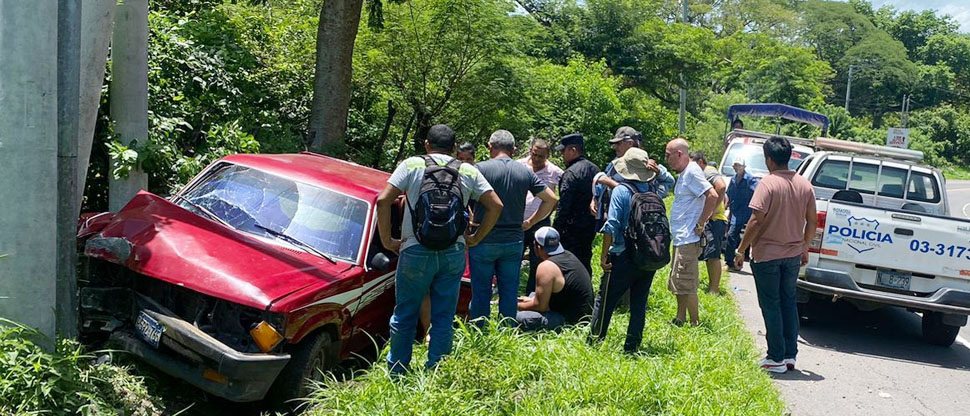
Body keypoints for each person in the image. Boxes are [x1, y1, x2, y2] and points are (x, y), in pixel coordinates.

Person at [376, 124, 503, 374]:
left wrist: (388, 240)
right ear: (454, 148)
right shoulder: (466, 170)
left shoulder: (412, 165)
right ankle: (437, 369)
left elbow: (383, 200)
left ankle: (397, 372)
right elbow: (496, 205)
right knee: (444, 315)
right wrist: (475, 238)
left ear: (427, 144)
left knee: (405, 313)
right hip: (453, 251)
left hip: (414, 249)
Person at [734, 136, 817, 374]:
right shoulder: (805, 185)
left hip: (767, 255)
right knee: (788, 302)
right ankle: (790, 355)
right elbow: (812, 221)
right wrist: (805, 247)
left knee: (771, 305)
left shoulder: (767, 184)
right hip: (793, 255)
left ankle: (775, 357)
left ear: (769, 159)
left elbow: (756, 220)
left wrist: (740, 250)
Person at [469, 130, 558, 325]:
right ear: (514, 149)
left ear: (489, 146)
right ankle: (507, 328)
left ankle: (478, 330)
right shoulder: (525, 171)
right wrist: (531, 222)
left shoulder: (479, 169)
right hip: (514, 240)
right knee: (509, 290)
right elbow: (551, 199)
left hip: (484, 239)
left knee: (481, 290)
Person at [588, 147, 658, 353]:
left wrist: (604, 255)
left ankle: (594, 341)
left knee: (605, 299)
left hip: (622, 255)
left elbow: (611, 225)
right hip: (647, 255)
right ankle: (632, 347)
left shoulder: (621, 191)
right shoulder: (651, 190)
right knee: (639, 303)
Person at [664, 138, 719, 326]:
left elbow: (712, 195)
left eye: (668, 155)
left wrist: (701, 222)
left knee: (687, 282)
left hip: (688, 238)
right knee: (679, 280)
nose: (667, 159)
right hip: (681, 237)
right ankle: (680, 318)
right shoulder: (684, 173)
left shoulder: (692, 172)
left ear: (679, 154)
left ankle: (695, 322)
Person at [516, 226, 593, 332]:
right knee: (532, 295)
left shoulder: (546, 267)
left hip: (570, 322)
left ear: (537, 247)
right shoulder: (568, 255)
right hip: (582, 315)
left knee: (518, 317)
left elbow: (540, 306)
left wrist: (514, 305)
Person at [592, 127, 675, 224]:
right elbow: (603, 184)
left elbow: (633, 195)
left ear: (630, 143)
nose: (615, 147)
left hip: (628, 224)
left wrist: (659, 172)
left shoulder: (647, 167)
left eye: (618, 143)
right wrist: (595, 198)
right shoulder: (613, 165)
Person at [518, 139, 564, 294]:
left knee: (538, 262)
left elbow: (559, 198)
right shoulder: (519, 165)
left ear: (548, 155)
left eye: (541, 156)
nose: (536, 159)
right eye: (534, 154)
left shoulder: (555, 172)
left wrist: (549, 210)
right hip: (518, 221)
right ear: (530, 150)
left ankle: (533, 294)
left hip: (540, 222)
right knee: (512, 259)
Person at [553, 133, 600, 274]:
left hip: (570, 229)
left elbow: (564, 205)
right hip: (590, 226)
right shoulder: (595, 169)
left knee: (567, 265)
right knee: (585, 260)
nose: (561, 154)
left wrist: (556, 230)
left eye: (563, 151)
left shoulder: (571, 173)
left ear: (573, 150)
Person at [689, 151, 728, 294]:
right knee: (708, 255)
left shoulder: (708, 170)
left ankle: (714, 289)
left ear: (700, 162)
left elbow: (722, 187)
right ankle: (711, 286)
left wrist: (712, 210)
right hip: (711, 220)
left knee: (713, 255)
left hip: (715, 220)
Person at [724, 158, 758, 271]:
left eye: (739, 165)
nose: (736, 167)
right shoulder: (733, 179)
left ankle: (755, 263)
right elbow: (728, 195)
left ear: (744, 167)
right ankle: (729, 262)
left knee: (753, 236)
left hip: (748, 212)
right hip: (736, 213)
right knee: (731, 235)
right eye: (735, 165)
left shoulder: (750, 179)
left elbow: (758, 193)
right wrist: (726, 209)